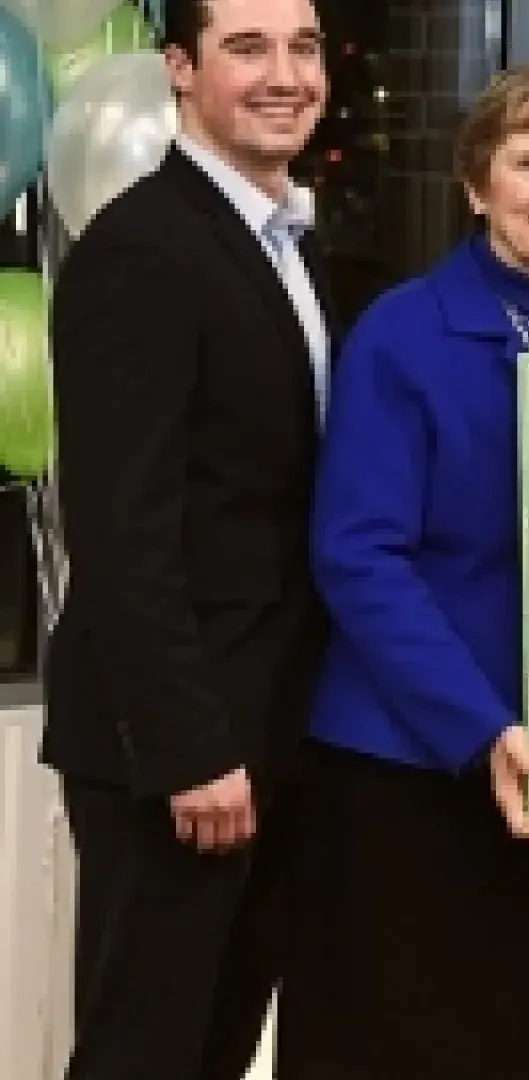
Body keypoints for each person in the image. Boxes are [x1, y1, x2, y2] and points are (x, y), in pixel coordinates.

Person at [272, 63, 529, 1080]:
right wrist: (483, 730)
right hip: (409, 779)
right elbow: (358, 558)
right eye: (528, 161)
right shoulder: (400, 335)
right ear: (476, 181)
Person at [40, 0, 333, 1076]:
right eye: (246, 48)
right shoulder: (144, 248)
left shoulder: (289, 243)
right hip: (174, 752)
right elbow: (119, 527)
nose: (284, 74)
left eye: (302, 48)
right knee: (143, 1053)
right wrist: (190, 749)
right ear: (178, 69)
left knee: (212, 1050)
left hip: (262, 729)